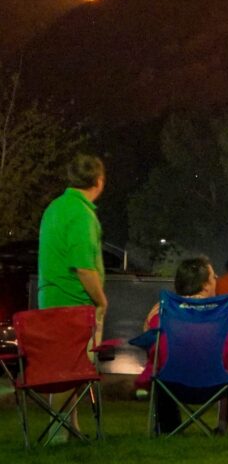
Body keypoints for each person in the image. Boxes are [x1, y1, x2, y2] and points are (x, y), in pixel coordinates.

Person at [36, 154, 107, 439]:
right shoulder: (80, 214)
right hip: (73, 304)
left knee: (63, 367)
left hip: (50, 300)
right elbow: (84, 267)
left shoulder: (55, 207)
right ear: (99, 181)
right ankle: (60, 433)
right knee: (71, 368)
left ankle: (68, 429)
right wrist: (101, 300)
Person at [137, 255, 228, 435]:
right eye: (213, 277)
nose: (216, 280)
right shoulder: (227, 312)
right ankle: (223, 426)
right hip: (217, 384)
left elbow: (149, 342)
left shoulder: (161, 309)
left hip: (170, 384)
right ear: (205, 285)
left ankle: (167, 426)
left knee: (158, 363)